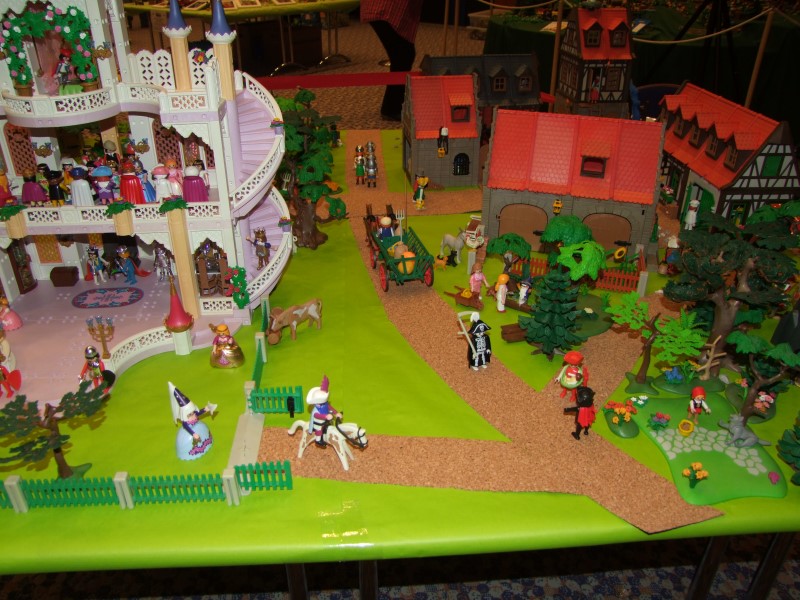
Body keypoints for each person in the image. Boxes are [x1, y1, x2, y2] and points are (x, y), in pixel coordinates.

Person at [361, 0, 424, 121]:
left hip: (384, 9)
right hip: (384, 9)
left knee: (403, 54)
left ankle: (393, 106)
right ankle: (391, 108)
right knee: (403, 54)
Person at [169, 382, 217, 461]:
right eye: (189, 415)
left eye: (192, 413)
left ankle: (206, 443)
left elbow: (198, 413)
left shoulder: (194, 415)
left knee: (203, 438)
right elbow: (187, 427)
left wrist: (205, 409)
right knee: (194, 444)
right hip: (190, 437)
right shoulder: (185, 423)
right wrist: (193, 434)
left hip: (200, 428)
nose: (193, 416)